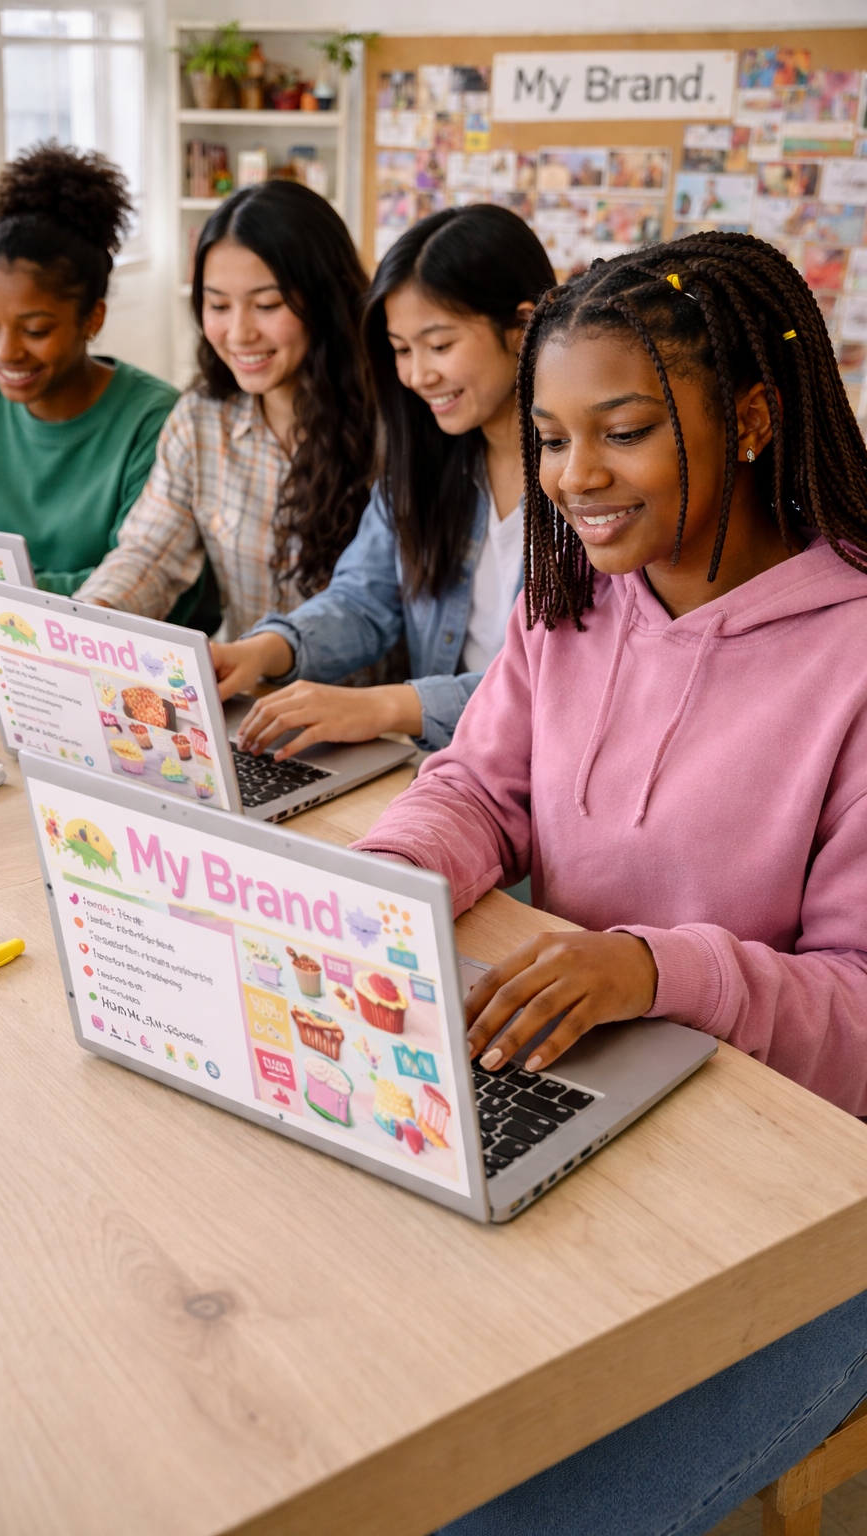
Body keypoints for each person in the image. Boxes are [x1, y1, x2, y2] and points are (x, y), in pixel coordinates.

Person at [350, 232, 867, 1532]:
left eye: (623, 432)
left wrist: (650, 966)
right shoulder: (570, 594)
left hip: (808, 1199)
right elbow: (481, 786)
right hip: (585, 1088)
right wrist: (387, 876)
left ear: (750, 417)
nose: (574, 479)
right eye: (554, 436)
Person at [211, 205, 556, 756]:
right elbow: (364, 598)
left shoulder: (591, 485)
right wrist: (265, 649)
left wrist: (387, 706)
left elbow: (562, 687)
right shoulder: (422, 463)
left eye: (440, 345)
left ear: (522, 327)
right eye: (401, 350)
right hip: (446, 770)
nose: (418, 375)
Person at [76, 181, 376, 639]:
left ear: (327, 299)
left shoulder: (391, 425)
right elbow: (149, 554)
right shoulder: (200, 419)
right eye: (217, 305)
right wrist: (84, 623)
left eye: (267, 305)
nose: (238, 333)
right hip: (241, 698)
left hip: (361, 705)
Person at [0, 143, 181, 599]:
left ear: (93, 319)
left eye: (35, 329)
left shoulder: (157, 420)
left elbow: (147, 581)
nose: (6, 351)